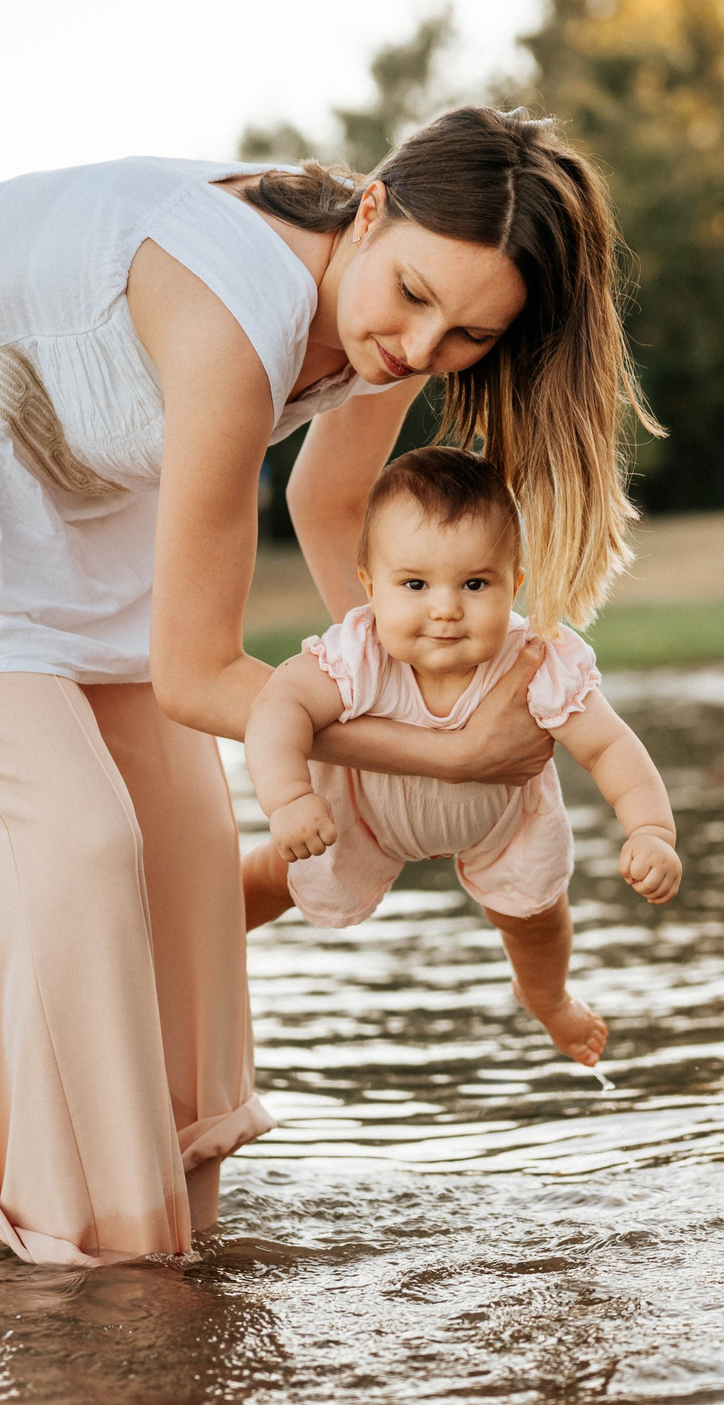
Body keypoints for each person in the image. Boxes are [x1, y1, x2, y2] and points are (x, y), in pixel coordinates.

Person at [0, 107, 657, 1267]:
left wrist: (408, 696)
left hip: (66, 481)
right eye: (417, 297)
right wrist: (437, 756)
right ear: (372, 206)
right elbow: (197, 674)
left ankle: (184, 1241)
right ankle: (79, 1263)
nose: (423, 346)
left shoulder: (388, 324)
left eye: (469, 336)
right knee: (80, 846)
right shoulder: (235, 318)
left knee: (188, 848)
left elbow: (330, 507)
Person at [242, 446, 680, 1067]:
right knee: (280, 873)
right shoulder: (359, 653)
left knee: (536, 917)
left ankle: (548, 999)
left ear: (514, 584)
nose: (445, 607)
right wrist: (288, 798)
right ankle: (211, 933)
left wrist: (651, 829)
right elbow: (277, 707)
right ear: (371, 586)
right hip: (362, 816)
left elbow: (610, 745)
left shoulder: (538, 661)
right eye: (415, 585)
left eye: (475, 583)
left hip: (500, 825)